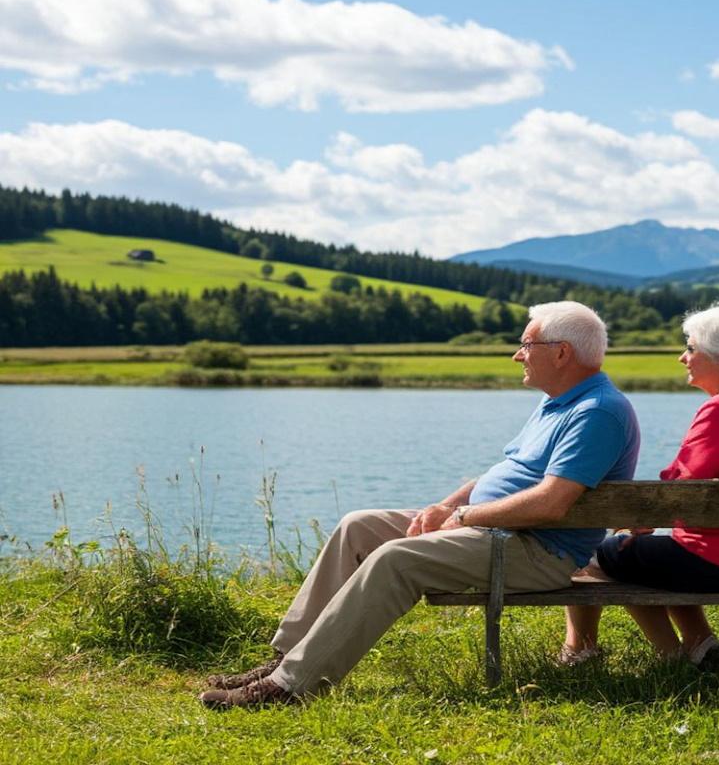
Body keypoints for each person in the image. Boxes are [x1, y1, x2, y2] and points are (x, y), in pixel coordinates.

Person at [200, 301, 640, 708]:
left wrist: (461, 516)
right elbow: (498, 477)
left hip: (536, 551)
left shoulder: (596, 412)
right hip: (494, 532)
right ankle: (285, 658)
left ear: (561, 353)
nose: (517, 354)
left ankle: (292, 686)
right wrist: (442, 506)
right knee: (358, 527)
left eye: (526, 344)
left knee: (396, 558)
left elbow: (551, 503)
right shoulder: (556, 404)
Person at [561, 304, 719, 666]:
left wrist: (640, 520)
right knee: (650, 551)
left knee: (599, 555)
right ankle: (700, 643)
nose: (682, 357)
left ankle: (656, 654)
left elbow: (679, 487)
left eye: (691, 348)